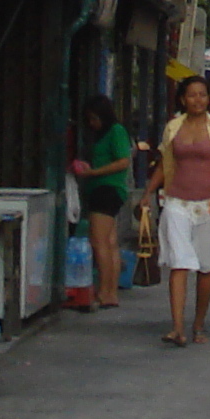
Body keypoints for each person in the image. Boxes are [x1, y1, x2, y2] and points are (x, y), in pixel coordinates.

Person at [155, 74, 210, 346]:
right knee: (179, 264)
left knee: (206, 267)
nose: (198, 100)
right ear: (183, 99)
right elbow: (164, 163)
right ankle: (177, 328)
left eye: (202, 95)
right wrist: (148, 192)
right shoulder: (173, 128)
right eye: (192, 95)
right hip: (176, 203)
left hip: (209, 204)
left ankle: (199, 324)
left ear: (209, 98)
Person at [68, 96, 134, 310]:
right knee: (110, 241)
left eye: (95, 118)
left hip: (106, 188)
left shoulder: (115, 131)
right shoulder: (106, 133)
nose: (92, 123)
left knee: (99, 241)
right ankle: (110, 291)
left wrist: (94, 172)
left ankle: (105, 291)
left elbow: (123, 161)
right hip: (106, 188)